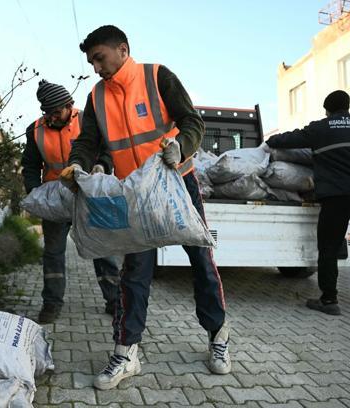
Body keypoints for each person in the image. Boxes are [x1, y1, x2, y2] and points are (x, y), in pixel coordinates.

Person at [59, 25, 230, 390]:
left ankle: (218, 336)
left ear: (122, 50)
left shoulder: (157, 76)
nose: (96, 68)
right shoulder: (96, 97)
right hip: (133, 194)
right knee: (134, 273)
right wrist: (77, 164)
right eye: (90, 62)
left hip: (176, 183)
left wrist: (181, 146)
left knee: (201, 260)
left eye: (99, 58)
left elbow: (192, 121)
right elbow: (88, 141)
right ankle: (126, 352)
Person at [264, 90, 350, 317]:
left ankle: (329, 299)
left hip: (337, 193)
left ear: (327, 109)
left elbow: (287, 140)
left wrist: (271, 140)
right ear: (348, 107)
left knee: (329, 246)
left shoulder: (321, 128)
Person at [21, 79, 121, 324]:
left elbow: (108, 149)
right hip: (55, 199)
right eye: (47, 113)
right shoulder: (35, 130)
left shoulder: (89, 119)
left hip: (89, 195)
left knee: (102, 249)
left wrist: (102, 165)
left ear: (69, 106)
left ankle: (115, 302)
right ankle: (52, 304)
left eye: (56, 112)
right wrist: (35, 192)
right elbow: (31, 166)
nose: (52, 118)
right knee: (53, 253)